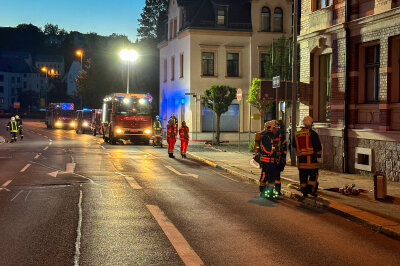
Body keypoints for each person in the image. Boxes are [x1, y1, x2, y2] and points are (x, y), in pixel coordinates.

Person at [293, 116, 322, 197]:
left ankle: (304, 192)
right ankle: (311, 190)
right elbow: (318, 146)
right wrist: (319, 155)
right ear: (311, 124)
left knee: (303, 177)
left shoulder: (297, 134)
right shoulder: (313, 134)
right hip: (311, 160)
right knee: (313, 175)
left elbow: (293, 144)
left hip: (301, 160)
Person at [259, 120, 284, 198]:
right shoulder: (266, 137)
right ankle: (262, 192)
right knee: (264, 176)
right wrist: (275, 152)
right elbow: (268, 149)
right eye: (275, 128)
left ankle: (269, 192)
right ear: (271, 128)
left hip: (272, 161)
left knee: (272, 178)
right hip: (266, 161)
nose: (276, 130)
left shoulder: (271, 137)